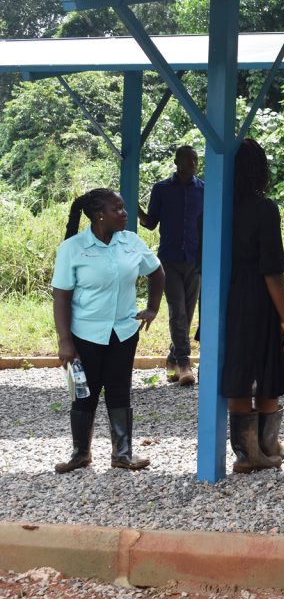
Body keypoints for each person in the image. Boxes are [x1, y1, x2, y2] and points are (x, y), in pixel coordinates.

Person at [52, 187, 165, 474]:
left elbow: (156, 271)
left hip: (124, 332)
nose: (124, 213)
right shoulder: (73, 248)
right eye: (117, 209)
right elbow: (61, 295)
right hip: (85, 335)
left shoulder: (131, 242)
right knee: (83, 393)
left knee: (119, 390)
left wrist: (152, 307)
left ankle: (123, 454)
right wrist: (65, 341)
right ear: (99, 215)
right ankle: (80, 454)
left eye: (123, 207)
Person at [221, 138, 284, 474]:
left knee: (237, 368)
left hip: (224, 295)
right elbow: (271, 269)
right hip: (257, 297)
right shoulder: (264, 209)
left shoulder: (212, 207)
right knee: (269, 363)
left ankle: (252, 449)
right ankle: (262, 447)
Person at [138, 145, 203, 386]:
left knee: (188, 310)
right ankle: (184, 363)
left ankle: (172, 358)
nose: (193, 163)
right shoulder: (162, 189)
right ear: (177, 162)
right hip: (169, 259)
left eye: (195, 158)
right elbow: (150, 223)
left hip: (195, 259)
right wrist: (135, 209)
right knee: (177, 309)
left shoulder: (204, 189)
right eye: (188, 159)